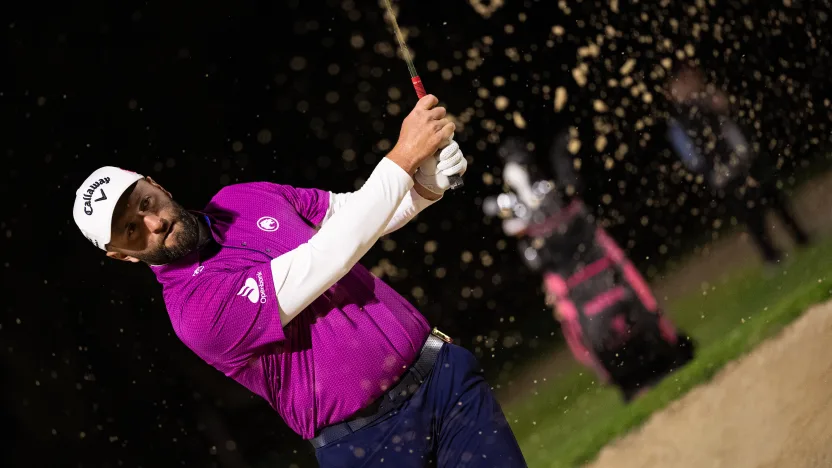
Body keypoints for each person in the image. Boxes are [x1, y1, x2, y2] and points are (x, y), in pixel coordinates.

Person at [72, 95, 527, 468]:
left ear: (157, 185)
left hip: (445, 384)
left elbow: (353, 215)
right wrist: (401, 157)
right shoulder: (194, 311)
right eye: (132, 229)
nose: (153, 222)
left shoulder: (241, 198)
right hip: (370, 448)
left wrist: (425, 185)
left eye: (147, 202)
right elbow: (325, 258)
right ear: (121, 256)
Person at [486, 137, 695, 402]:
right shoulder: (523, 204)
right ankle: (632, 376)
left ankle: (656, 360)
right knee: (599, 328)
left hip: (592, 271)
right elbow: (530, 248)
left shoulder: (553, 193)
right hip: (577, 282)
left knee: (631, 310)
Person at [666, 63, 810, 264]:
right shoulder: (680, 121)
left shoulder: (709, 99)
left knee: (775, 198)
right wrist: (712, 172)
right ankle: (771, 256)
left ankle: (800, 238)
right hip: (725, 172)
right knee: (751, 215)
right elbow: (690, 156)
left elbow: (734, 120)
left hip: (746, 159)